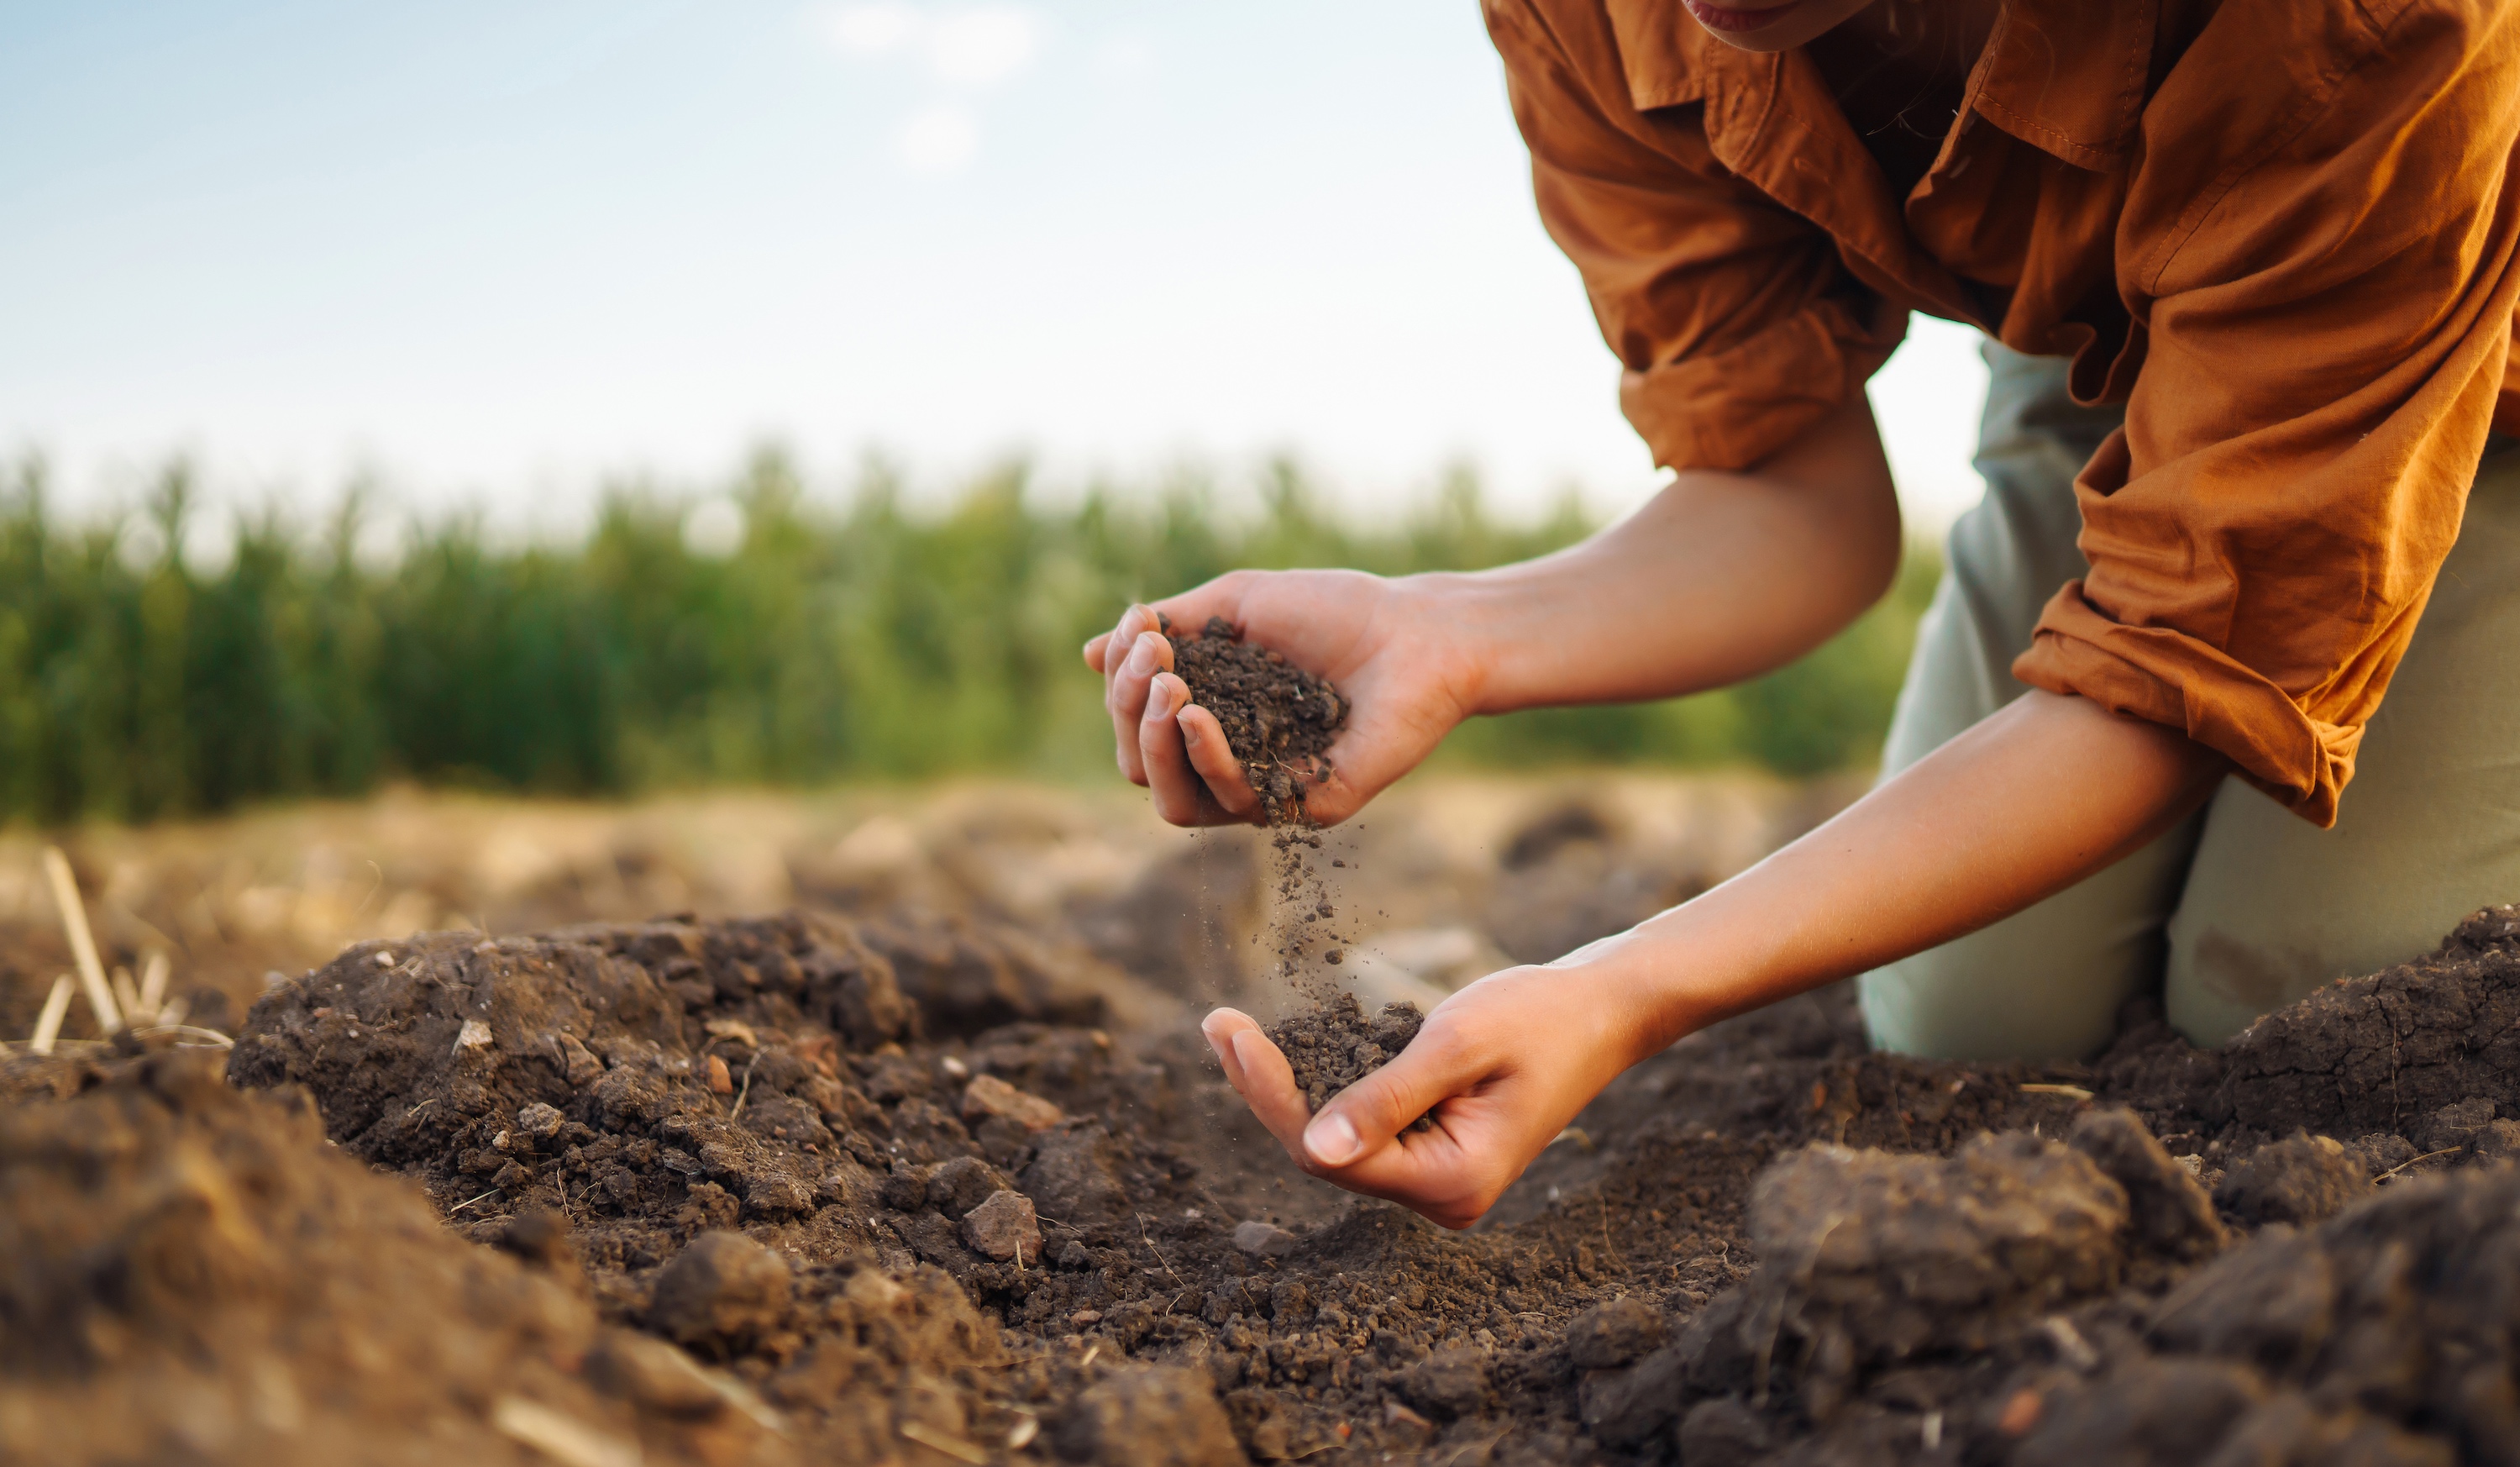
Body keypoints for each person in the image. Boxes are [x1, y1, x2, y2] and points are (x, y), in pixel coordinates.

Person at [1084, 0, 2520, 1229]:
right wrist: (1454, 628)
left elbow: (2181, 662)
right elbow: (1794, 496)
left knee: (2310, 1007)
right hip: (2120, 344)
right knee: (1972, 1023)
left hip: (2461, 307)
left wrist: (1626, 987)